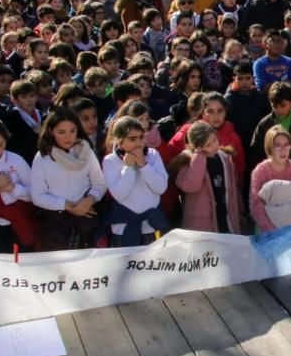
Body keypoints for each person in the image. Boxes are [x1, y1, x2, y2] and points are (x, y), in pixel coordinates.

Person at [30, 107, 107, 250]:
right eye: (61, 132)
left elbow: (100, 183)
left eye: (72, 131)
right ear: (50, 131)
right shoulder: (43, 157)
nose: (68, 137)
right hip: (56, 223)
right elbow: (37, 195)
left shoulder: (86, 151)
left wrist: (89, 200)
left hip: (86, 218)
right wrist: (67, 205)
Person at [102, 116, 170, 247]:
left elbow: (161, 188)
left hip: (151, 226)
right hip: (125, 227)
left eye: (141, 137)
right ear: (120, 141)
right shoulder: (110, 160)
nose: (138, 143)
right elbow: (119, 194)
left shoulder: (152, 155)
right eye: (132, 139)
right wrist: (129, 168)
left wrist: (144, 165)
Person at [0, 117, 35, 253]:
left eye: (0, 145)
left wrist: (12, 188)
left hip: (19, 222)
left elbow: (35, 194)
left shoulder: (16, 160)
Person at [176, 121, 243, 234]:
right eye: (208, 145)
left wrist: (240, 211)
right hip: (203, 224)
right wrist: (198, 157)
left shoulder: (225, 159)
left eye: (214, 140)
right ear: (197, 148)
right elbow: (192, 186)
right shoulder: (189, 161)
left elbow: (233, 187)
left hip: (225, 217)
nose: (214, 146)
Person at [249, 125, 291, 233]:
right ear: (269, 147)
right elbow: (256, 206)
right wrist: (272, 231)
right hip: (267, 232)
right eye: (277, 146)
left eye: (286, 145)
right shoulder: (260, 172)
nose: (283, 150)